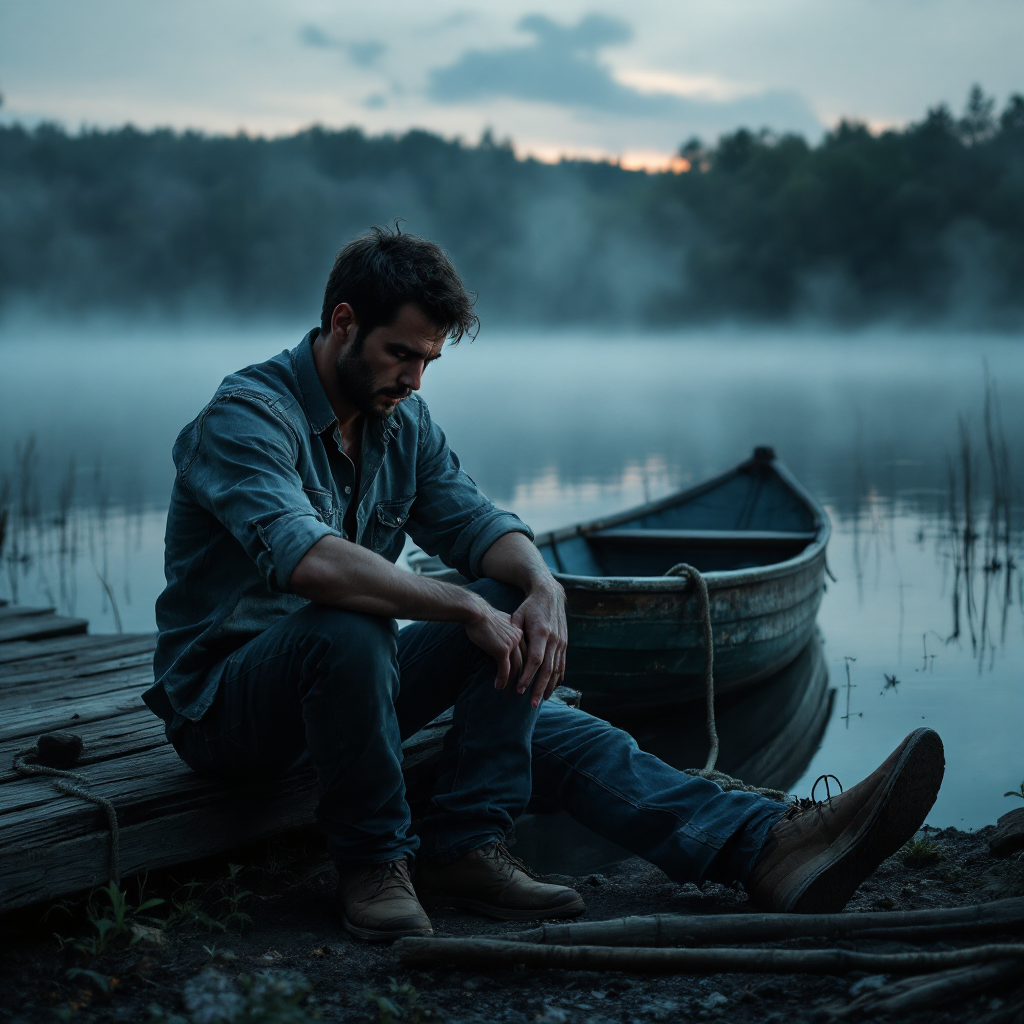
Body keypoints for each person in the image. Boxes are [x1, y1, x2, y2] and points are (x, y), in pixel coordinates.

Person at [144, 226, 945, 942]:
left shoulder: (402, 421)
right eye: (402, 353)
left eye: (430, 359)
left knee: (520, 638)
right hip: (229, 711)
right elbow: (311, 563)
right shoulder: (247, 416)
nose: (416, 379)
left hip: (354, 690)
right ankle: (374, 863)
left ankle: (759, 846)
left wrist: (543, 588)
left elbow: (476, 522)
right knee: (355, 625)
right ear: (343, 321)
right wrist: (459, 603)